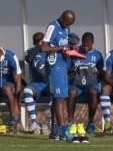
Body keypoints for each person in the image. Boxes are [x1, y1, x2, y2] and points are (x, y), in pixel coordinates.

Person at [40, 10, 75, 140]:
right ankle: (63, 130)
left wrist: (70, 51)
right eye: (67, 23)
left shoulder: (66, 28)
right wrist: (60, 49)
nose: (68, 26)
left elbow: (65, 45)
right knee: (59, 98)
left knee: (58, 98)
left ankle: (56, 131)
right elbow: (43, 48)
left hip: (63, 65)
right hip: (54, 66)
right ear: (62, 18)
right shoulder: (52, 27)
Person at [67, 32, 103, 142]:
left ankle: (91, 123)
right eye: (84, 45)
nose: (86, 48)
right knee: (71, 92)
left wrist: (97, 72)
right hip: (77, 86)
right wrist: (72, 71)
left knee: (93, 92)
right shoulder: (75, 53)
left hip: (91, 85)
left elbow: (102, 73)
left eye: (89, 45)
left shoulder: (97, 55)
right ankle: (70, 123)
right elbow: (68, 70)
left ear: (93, 43)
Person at [23, 32, 51, 135]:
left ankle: (50, 124)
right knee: (27, 90)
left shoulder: (50, 51)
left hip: (50, 83)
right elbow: (29, 59)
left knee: (56, 95)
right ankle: (34, 122)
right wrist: (38, 47)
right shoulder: (30, 51)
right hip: (37, 84)